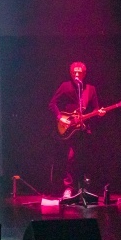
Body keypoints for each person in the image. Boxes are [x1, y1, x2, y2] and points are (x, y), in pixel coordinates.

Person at [49, 61, 104, 199]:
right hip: (69, 128)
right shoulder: (65, 86)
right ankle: (68, 188)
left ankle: (82, 188)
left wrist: (100, 112)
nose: (77, 74)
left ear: (84, 74)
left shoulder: (90, 89)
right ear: (71, 73)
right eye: (74, 72)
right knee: (70, 158)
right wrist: (60, 117)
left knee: (83, 158)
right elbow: (52, 103)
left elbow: (96, 109)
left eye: (80, 72)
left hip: (83, 129)